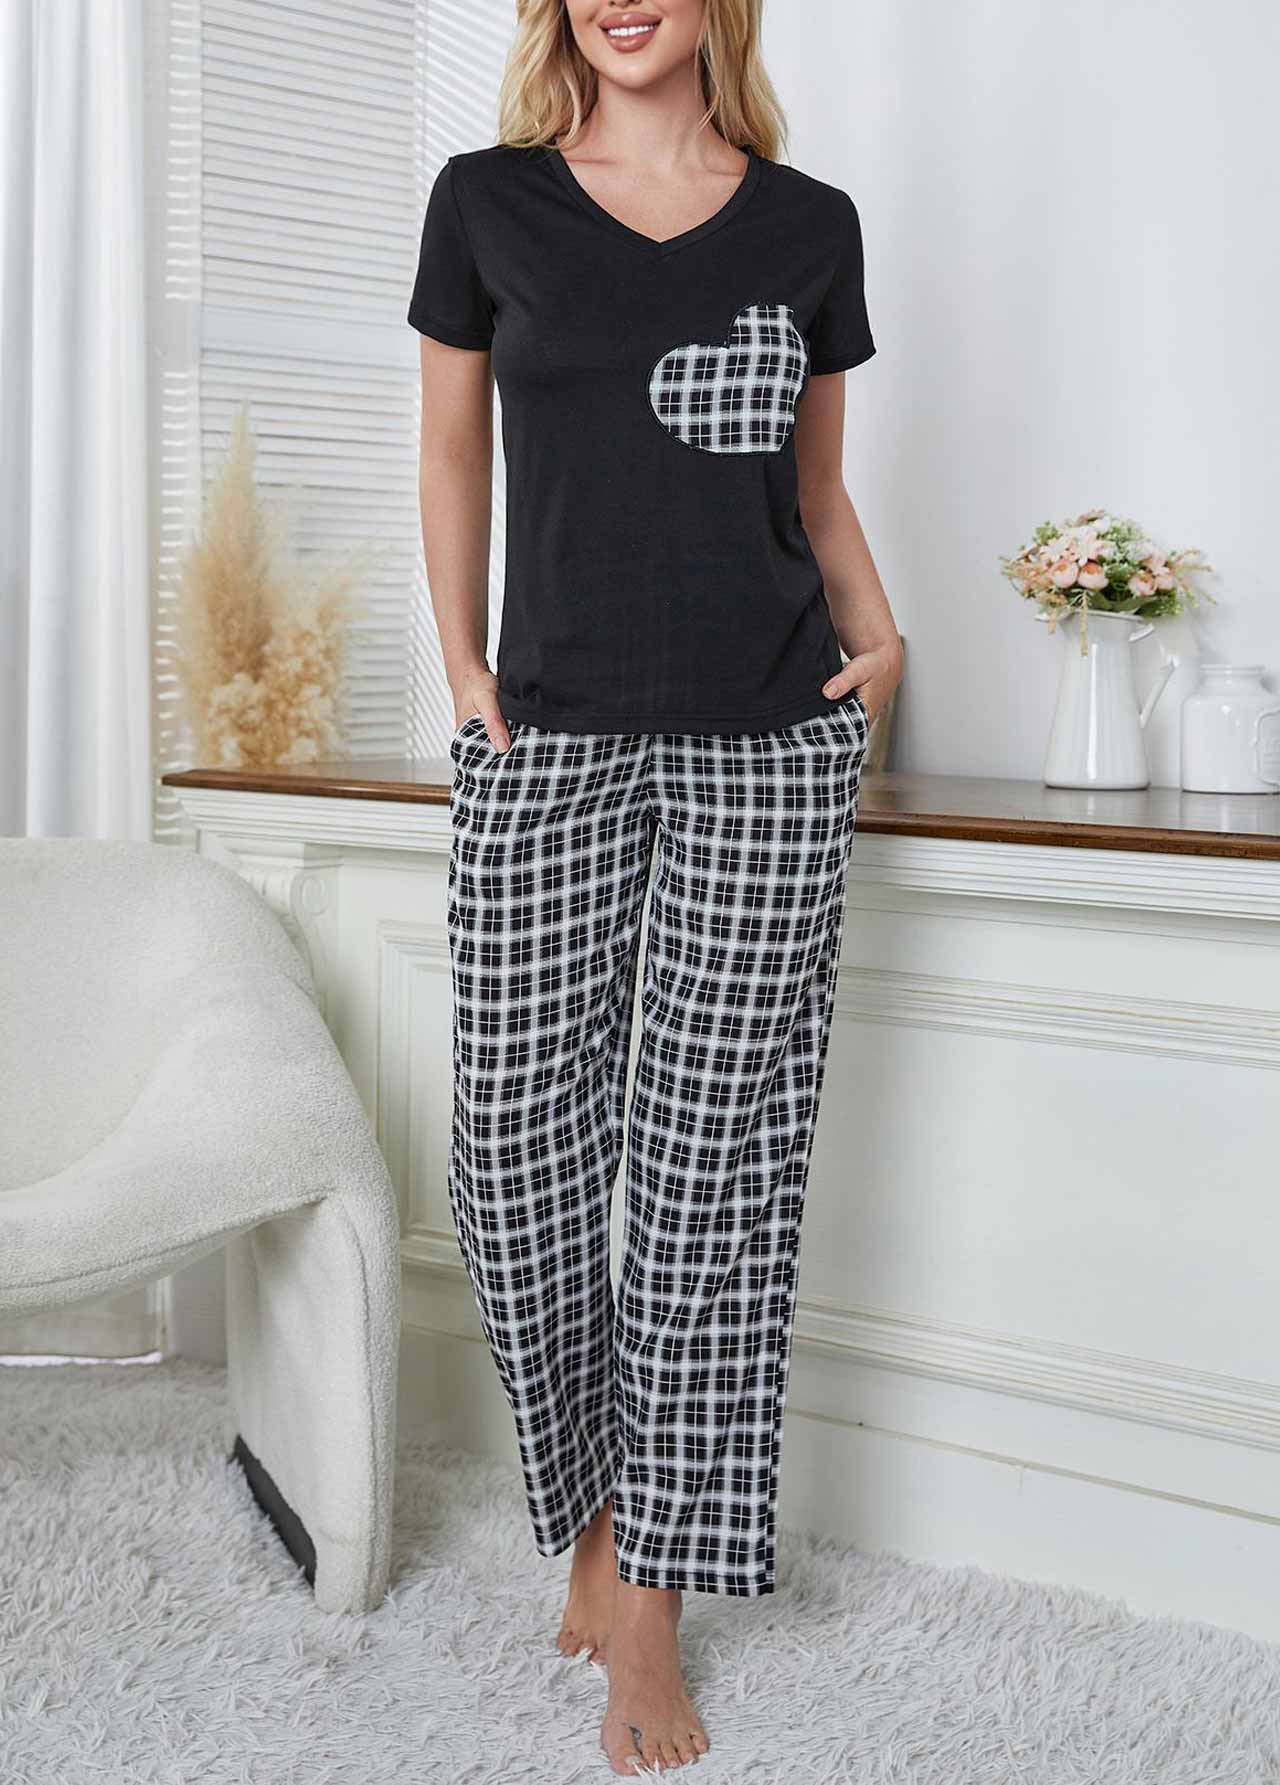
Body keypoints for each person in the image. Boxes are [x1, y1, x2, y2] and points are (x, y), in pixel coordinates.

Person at [409, 0, 902, 1772]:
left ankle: (650, 1604)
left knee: (709, 1179)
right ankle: (599, 1505)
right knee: (510, 1148)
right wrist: (466, 674)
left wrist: (882, 640)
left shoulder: (809, 224)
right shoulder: (486, 202)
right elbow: (453, 450)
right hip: (550, 731)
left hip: (767, 742)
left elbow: (817, 489)